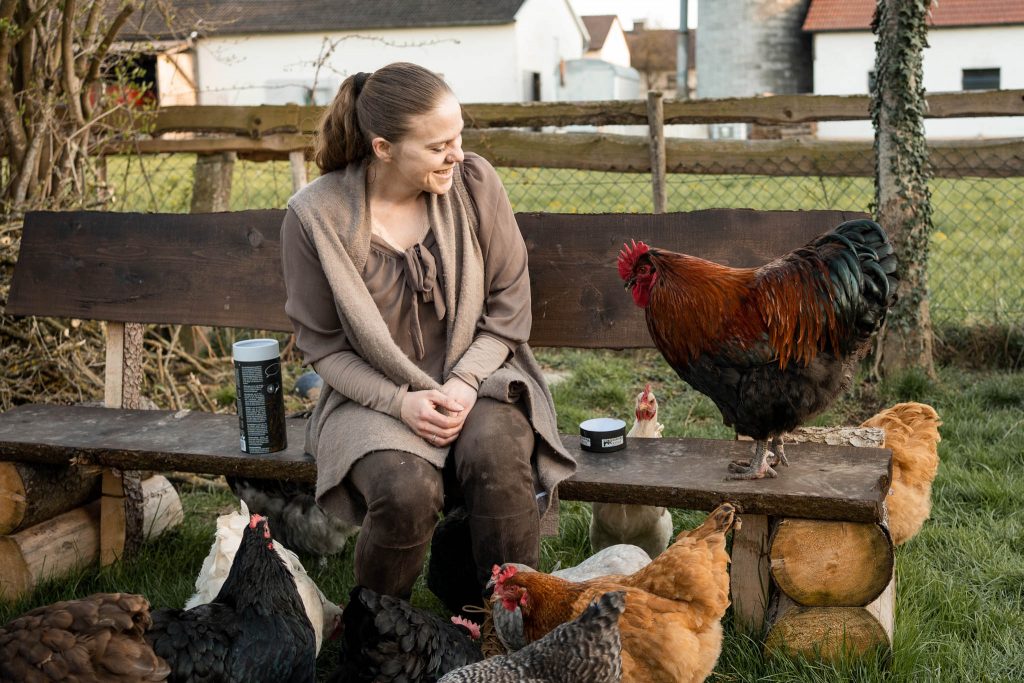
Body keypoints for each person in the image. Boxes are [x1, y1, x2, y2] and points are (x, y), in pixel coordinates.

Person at [280, 62, 576, 603]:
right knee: (406, 489)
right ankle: (376, 636)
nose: (457, 154)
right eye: (439, 146)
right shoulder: (314, 218)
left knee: (496, 461)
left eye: (459, 137)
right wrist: (401, 402)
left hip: (481, 376)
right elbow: (324, 347)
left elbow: (510, 309)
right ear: (384, 147)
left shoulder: (475, 184)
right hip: (369, 396)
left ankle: (511, 629)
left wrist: (463, 382)